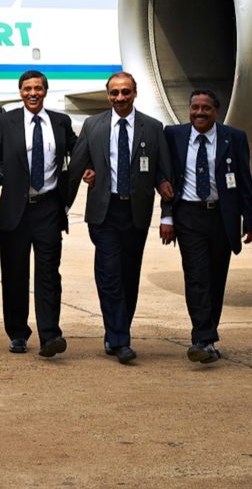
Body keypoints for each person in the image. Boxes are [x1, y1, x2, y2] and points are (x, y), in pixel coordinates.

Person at [68, 71, 172, 364]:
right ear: (107, 95)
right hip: (104, 212)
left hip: (135, 213)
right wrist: (63, 206)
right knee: (110, 274)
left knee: (129, 277)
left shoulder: (152, 128)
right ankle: (121, 340)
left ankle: (116, 331)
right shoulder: (93, 125)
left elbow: (165, 176)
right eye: (114, 93)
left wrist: (168, 216)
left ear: (134, 93)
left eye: (125, 92)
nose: (120, 98)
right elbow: (77, 165)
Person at [160, 89, 252, 364]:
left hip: (221, 217)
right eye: (195, 108)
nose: (199, 113)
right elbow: (166, 180)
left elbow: (244, 181)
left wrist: (250, 220)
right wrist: (166, 217)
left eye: (205, 108)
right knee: (197, 277)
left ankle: (208, 336)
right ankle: (203, 339)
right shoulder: (174, 135)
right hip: (188, 216)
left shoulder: (233, 138)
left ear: (216, 111)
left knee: (216, 279)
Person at [0, 71, 77, 357]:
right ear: (19, 91)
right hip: (15, 210)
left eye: (38, 88)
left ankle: (50, 335)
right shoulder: (6, 121)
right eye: (27, 88)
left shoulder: (60, 122)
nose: (32, 93)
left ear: (46, 91)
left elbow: (77, 154)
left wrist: (85, 174)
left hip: (48, 209)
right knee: (15, 274)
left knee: (49, 274)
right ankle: (17, 333)